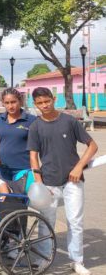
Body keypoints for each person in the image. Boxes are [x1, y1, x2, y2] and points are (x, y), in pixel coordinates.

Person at [29, 87, 97, 275]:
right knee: (46, 222)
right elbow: (33, 157)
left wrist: (78, 167)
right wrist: (39, 183)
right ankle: (43, 259)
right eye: (40, 103)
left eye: (47, 101)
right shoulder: (35, 126)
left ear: (54, 98)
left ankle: (77, 261)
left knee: (74, 222)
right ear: (35, 104)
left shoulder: (69, 121)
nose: (44, 105)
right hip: (48, 182)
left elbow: (92, 146)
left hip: (73, 181)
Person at [0, 88, 37, 180]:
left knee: (20, 194)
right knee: (4, 194)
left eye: (13, 102)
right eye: (7, 103)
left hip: (24, 169)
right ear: (3, 103)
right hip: (1, 168)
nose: (10, 106)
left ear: (20, 101)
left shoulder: (31, 120)